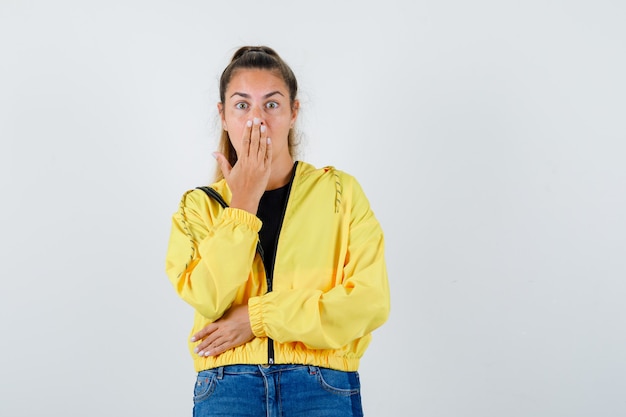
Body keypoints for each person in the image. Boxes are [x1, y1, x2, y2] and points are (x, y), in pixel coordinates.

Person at [165, 45, 390, 417]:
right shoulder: (198, 206)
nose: (257, 120)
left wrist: (259, 318)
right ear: (222, 115)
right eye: (242, 105)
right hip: (227, 387)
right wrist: (243, 203)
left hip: (323, 385)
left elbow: (369, 303)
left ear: (293, 112)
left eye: (271, 104)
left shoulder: (340, 193)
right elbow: (208, 299)